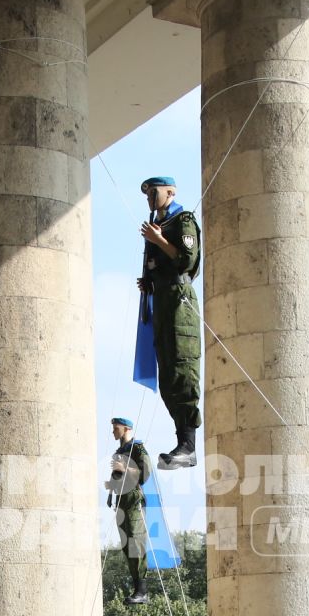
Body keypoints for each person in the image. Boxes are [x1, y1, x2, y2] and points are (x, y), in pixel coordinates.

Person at [134, 176, 202, 469]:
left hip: (179, 302)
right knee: (168, 376)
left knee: (182, 369)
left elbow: (187, 261)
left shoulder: (182, 220)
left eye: (155, 192)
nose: (150, 198)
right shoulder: (158, 222)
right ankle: (181, 443)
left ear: (171, 192)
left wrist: (158, 240)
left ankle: (188, 445)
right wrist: (149, 281)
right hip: (161, 301)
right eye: (148, 194)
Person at [104, 417, 153, 603]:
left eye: (116, 428)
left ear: (126, 429)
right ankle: (136, 589)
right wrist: (111, 485)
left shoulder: (137, 448)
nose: (113, 432)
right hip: (121, 501)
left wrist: (124, 469)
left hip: (133, 500)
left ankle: (143, 590)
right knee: (126, 545)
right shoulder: (119, 451)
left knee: (136, 542)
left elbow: (145, 473)